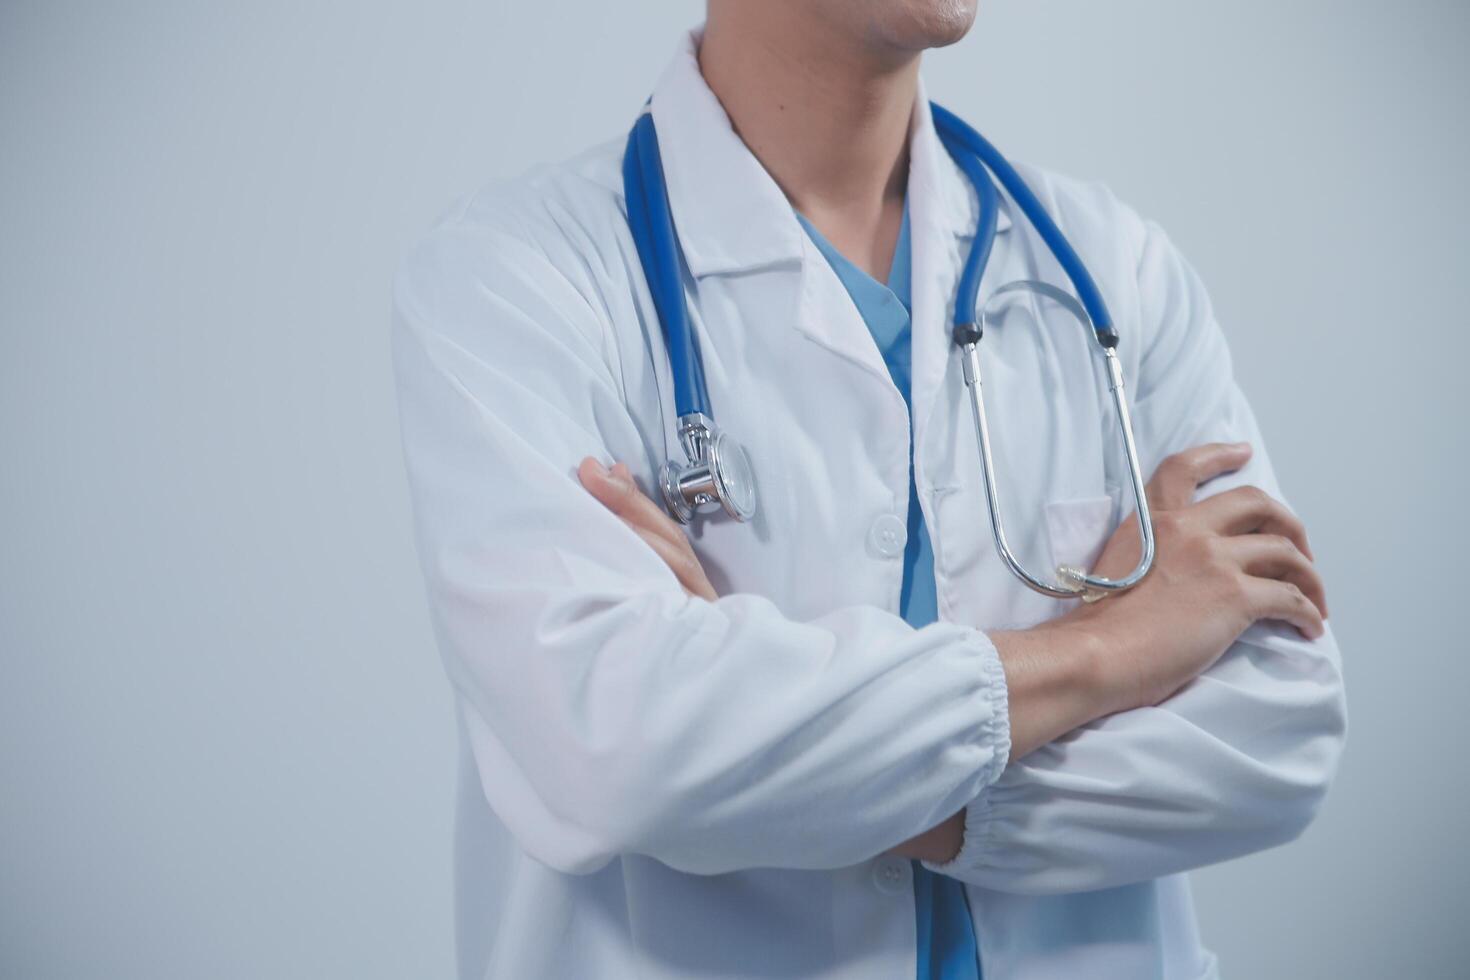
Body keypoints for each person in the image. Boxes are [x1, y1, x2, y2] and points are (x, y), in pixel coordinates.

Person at [390, 2, 1347, 977]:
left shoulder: (1117, 271)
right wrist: (1118, 647)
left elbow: (1278, 735)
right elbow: (619, 750)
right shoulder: (516, 282)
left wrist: (769, 753)